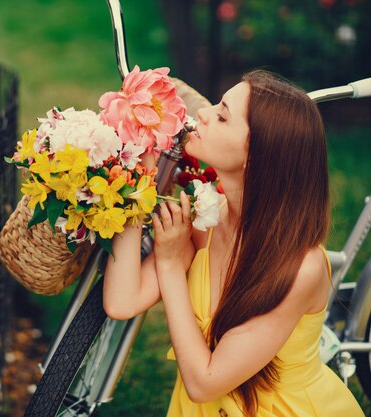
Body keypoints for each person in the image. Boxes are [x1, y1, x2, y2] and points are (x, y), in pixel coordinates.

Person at [103, 70, 365, 417]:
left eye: (223, 115)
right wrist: (138, 181)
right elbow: (122, 302)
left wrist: (168, 266)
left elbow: (204, 382)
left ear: (256, 156)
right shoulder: (208, 219)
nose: (206, 113)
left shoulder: (301, 267)